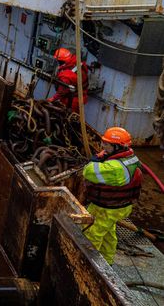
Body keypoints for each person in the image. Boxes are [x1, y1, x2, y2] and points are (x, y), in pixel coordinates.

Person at [82, 127, 142, 265]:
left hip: (106, 208)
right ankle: (107, 261)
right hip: (121, 206)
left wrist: (96, 159)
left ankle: (87, 264)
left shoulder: (115, 168)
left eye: (106, 144)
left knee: (92, 233)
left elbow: (88, 172)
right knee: (108, 233)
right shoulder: (130, 158)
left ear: (117, 147)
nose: (102, 146)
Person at [48, 47, 88, 112]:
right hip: (82, 96)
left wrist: (51, 99)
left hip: (72, 100)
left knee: (67, 116)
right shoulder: (77, 62)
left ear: (60, 61)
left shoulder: (67, 75)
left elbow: (61, 92)